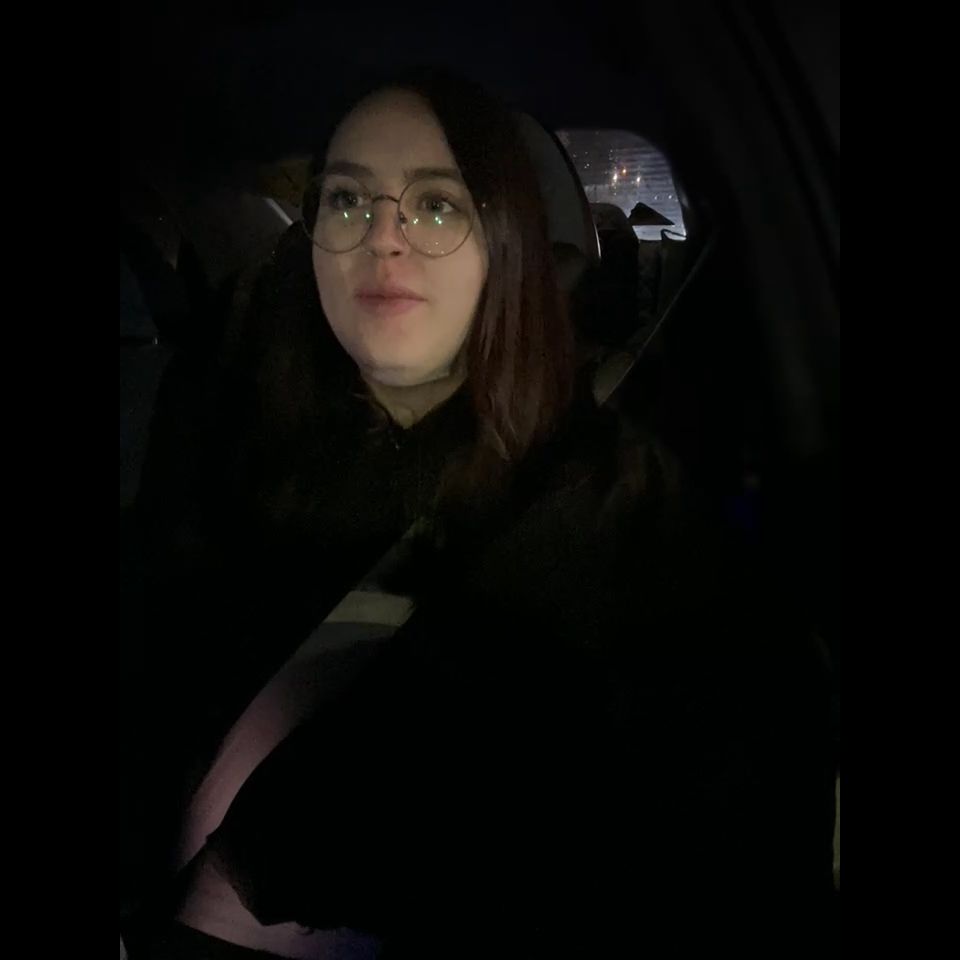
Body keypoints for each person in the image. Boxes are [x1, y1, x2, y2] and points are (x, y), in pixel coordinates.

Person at [132, 71, 835, 958]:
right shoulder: (221, 436)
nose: (382, 235)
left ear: (504, 243)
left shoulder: (612, 505)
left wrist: (276, 855)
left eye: (436, 205)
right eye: (347, 199)